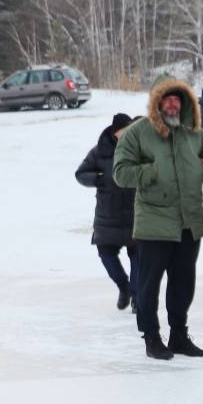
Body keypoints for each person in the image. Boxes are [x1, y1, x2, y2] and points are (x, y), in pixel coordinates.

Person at [113, 79, 203, 360]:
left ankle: (179, 336)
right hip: (154, 223)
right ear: (157, 102)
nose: (173, 104)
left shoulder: (194, 134)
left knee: (184, 283)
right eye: (167, 99)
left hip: (189, 222)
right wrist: (151, 172)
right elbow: (121, 172)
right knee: (149, 285)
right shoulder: (138, 133)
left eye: (178, 99)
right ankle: (151, 337)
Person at [75, 113, 139, 312]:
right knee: (105, 253)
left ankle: (137, 296)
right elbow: (81, 173)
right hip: (107, 214)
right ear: (115, 131)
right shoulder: (100, 151)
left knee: (138, 256)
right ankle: (123, 287)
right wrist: (98, 179)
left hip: (135, 213)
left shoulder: (139, 150)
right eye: (124, 131)